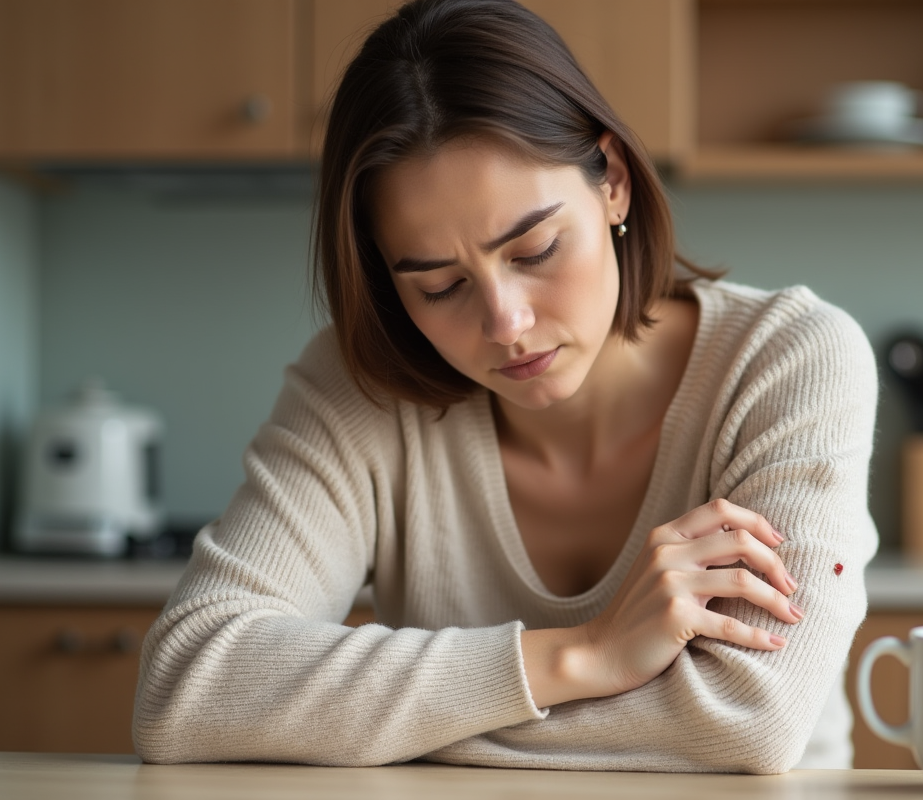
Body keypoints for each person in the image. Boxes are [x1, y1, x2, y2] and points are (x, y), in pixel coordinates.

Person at [133, 0, 879, 773]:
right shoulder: (361, 389)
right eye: (439, 286)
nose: (506, 322)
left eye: (535, 248)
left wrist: (395, 728)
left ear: (614, 181)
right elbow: (187, 688)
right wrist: (582, 655)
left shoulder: (788, 360)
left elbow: (747, 721)